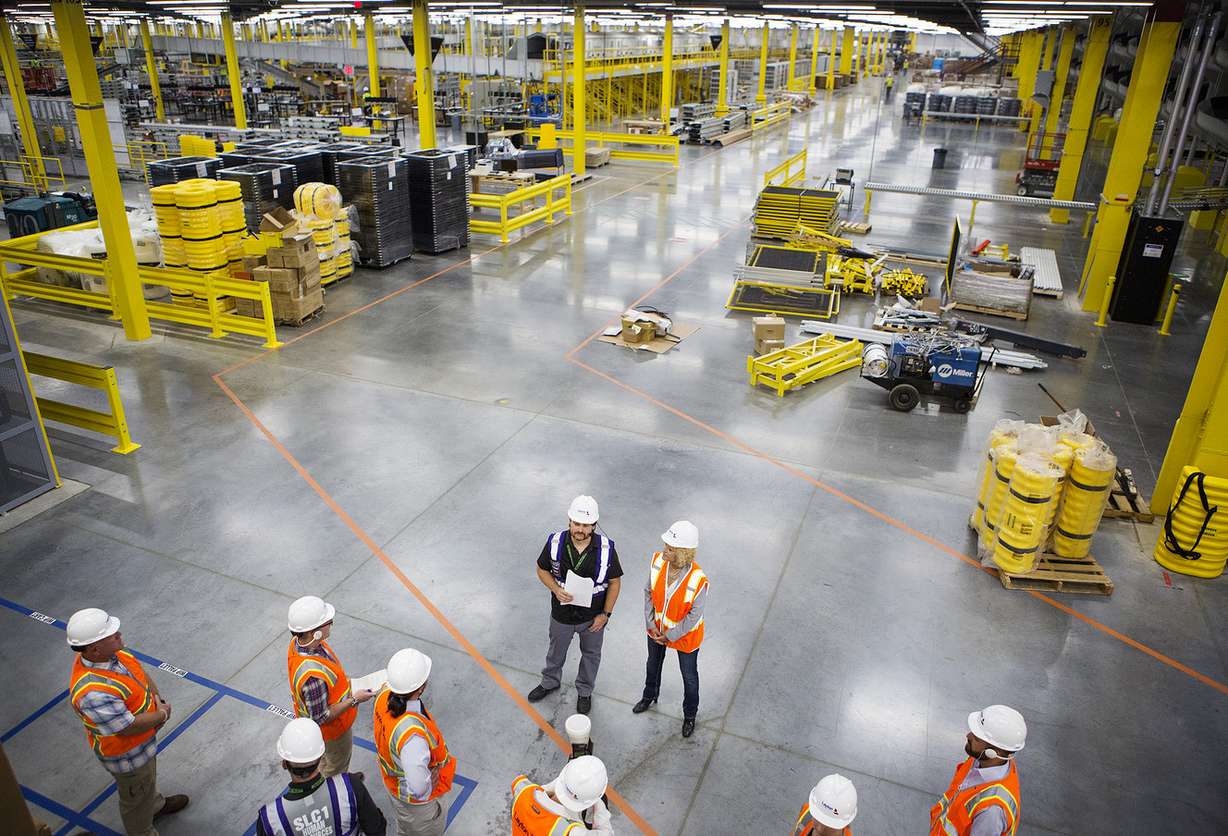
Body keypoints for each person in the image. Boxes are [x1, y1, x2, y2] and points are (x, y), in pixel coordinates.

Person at [66, 607, 189, 836]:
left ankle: (155, 805)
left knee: (146, 784)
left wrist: (157, 700)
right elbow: (127, 727)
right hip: (128, 756)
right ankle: (143, 831)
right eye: (113, 635)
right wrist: (161, 714)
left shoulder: (114, 655)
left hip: (143, 745)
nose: (119, 634)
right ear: (94, 648)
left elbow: (141, 676)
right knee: (135, 797)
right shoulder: (93, 693)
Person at [527, 495, 624, 715]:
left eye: (586, 525)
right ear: (569, 521)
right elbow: (541, 569)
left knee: (591, 654)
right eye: (577, 523)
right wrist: (555, 588)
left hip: (593, 617)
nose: (580, 529)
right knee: (555, 651)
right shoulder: (555, 543)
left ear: (594, 525)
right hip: (561, 614)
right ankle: (550, 681)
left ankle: (585, 691)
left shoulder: (606, 549)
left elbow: (615, 582)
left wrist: (605, 614)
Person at [633, 520, 708, 738]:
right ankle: (649, 696)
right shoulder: (657, 562)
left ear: (683, 553)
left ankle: (690, 716)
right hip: (656, 631)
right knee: (652, 665)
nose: (664, 550)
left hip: (685, 637)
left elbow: (694, 616)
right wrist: (650, 623)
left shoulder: (698, 580)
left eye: (670, 548)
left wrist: (670, 635)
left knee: (690, 677)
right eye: (666, 545)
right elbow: (648, 591)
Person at [287, 596, 376, 778]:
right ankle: (336, 786)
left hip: (324, 729)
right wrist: (354, 699)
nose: (331, 624)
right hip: (332, 732)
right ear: (315, 632)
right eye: (328, 622)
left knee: (326, 760)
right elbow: (321, 716)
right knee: (336, 765)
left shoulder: (299, 644)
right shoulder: (312, 677)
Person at [254, 718, 387, 836]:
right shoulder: (350, 787)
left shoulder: (270, 820)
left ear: (284, 764)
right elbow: (377, 830)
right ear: (321, 756)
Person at [373, 648, 456, 836]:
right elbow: (418, 789)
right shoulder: (412, 736)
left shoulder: (383, 695)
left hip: (394, 787)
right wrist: (429, 786)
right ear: (421, 687)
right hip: (417, 808)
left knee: (405, 829)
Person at [930, 705, 1025, 836]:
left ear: (993, 752)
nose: (968, 736)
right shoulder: (982, 759)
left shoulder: (991, 812)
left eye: (977, 738)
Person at [511, 755, 612, 835]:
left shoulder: (523, 790)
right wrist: (600, 807)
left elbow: (539, 790)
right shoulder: (571, 831)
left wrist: (566, 782)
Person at [792, 774, 857, 835]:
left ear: (846, 823)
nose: (820, 829)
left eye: (830, 824)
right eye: (817, 818)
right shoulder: (805, 811)